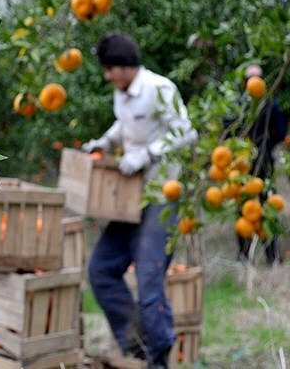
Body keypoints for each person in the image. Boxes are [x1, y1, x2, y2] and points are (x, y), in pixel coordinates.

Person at [81, 32, 197, 368]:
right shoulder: (122, 95)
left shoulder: (160, 89)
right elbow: (124, 124)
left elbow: (186, 131)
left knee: (149, 282)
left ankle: (158, 357)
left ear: (125, 65)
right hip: (128, 198)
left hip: (160, 197)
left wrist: (148, 154)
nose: (107, 76)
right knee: (101, 270)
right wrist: (103, 141)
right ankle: (137, 345)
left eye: (109, 69)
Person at [223, 64, 287, 263]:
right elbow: (281, 133)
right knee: (262, 205)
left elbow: (227, 135)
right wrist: (266, 145)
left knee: (250, 206)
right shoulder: (268, 104)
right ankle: (268, 255)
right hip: (256, 161)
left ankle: (251, 255)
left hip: (244, 163)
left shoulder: (240, 105)